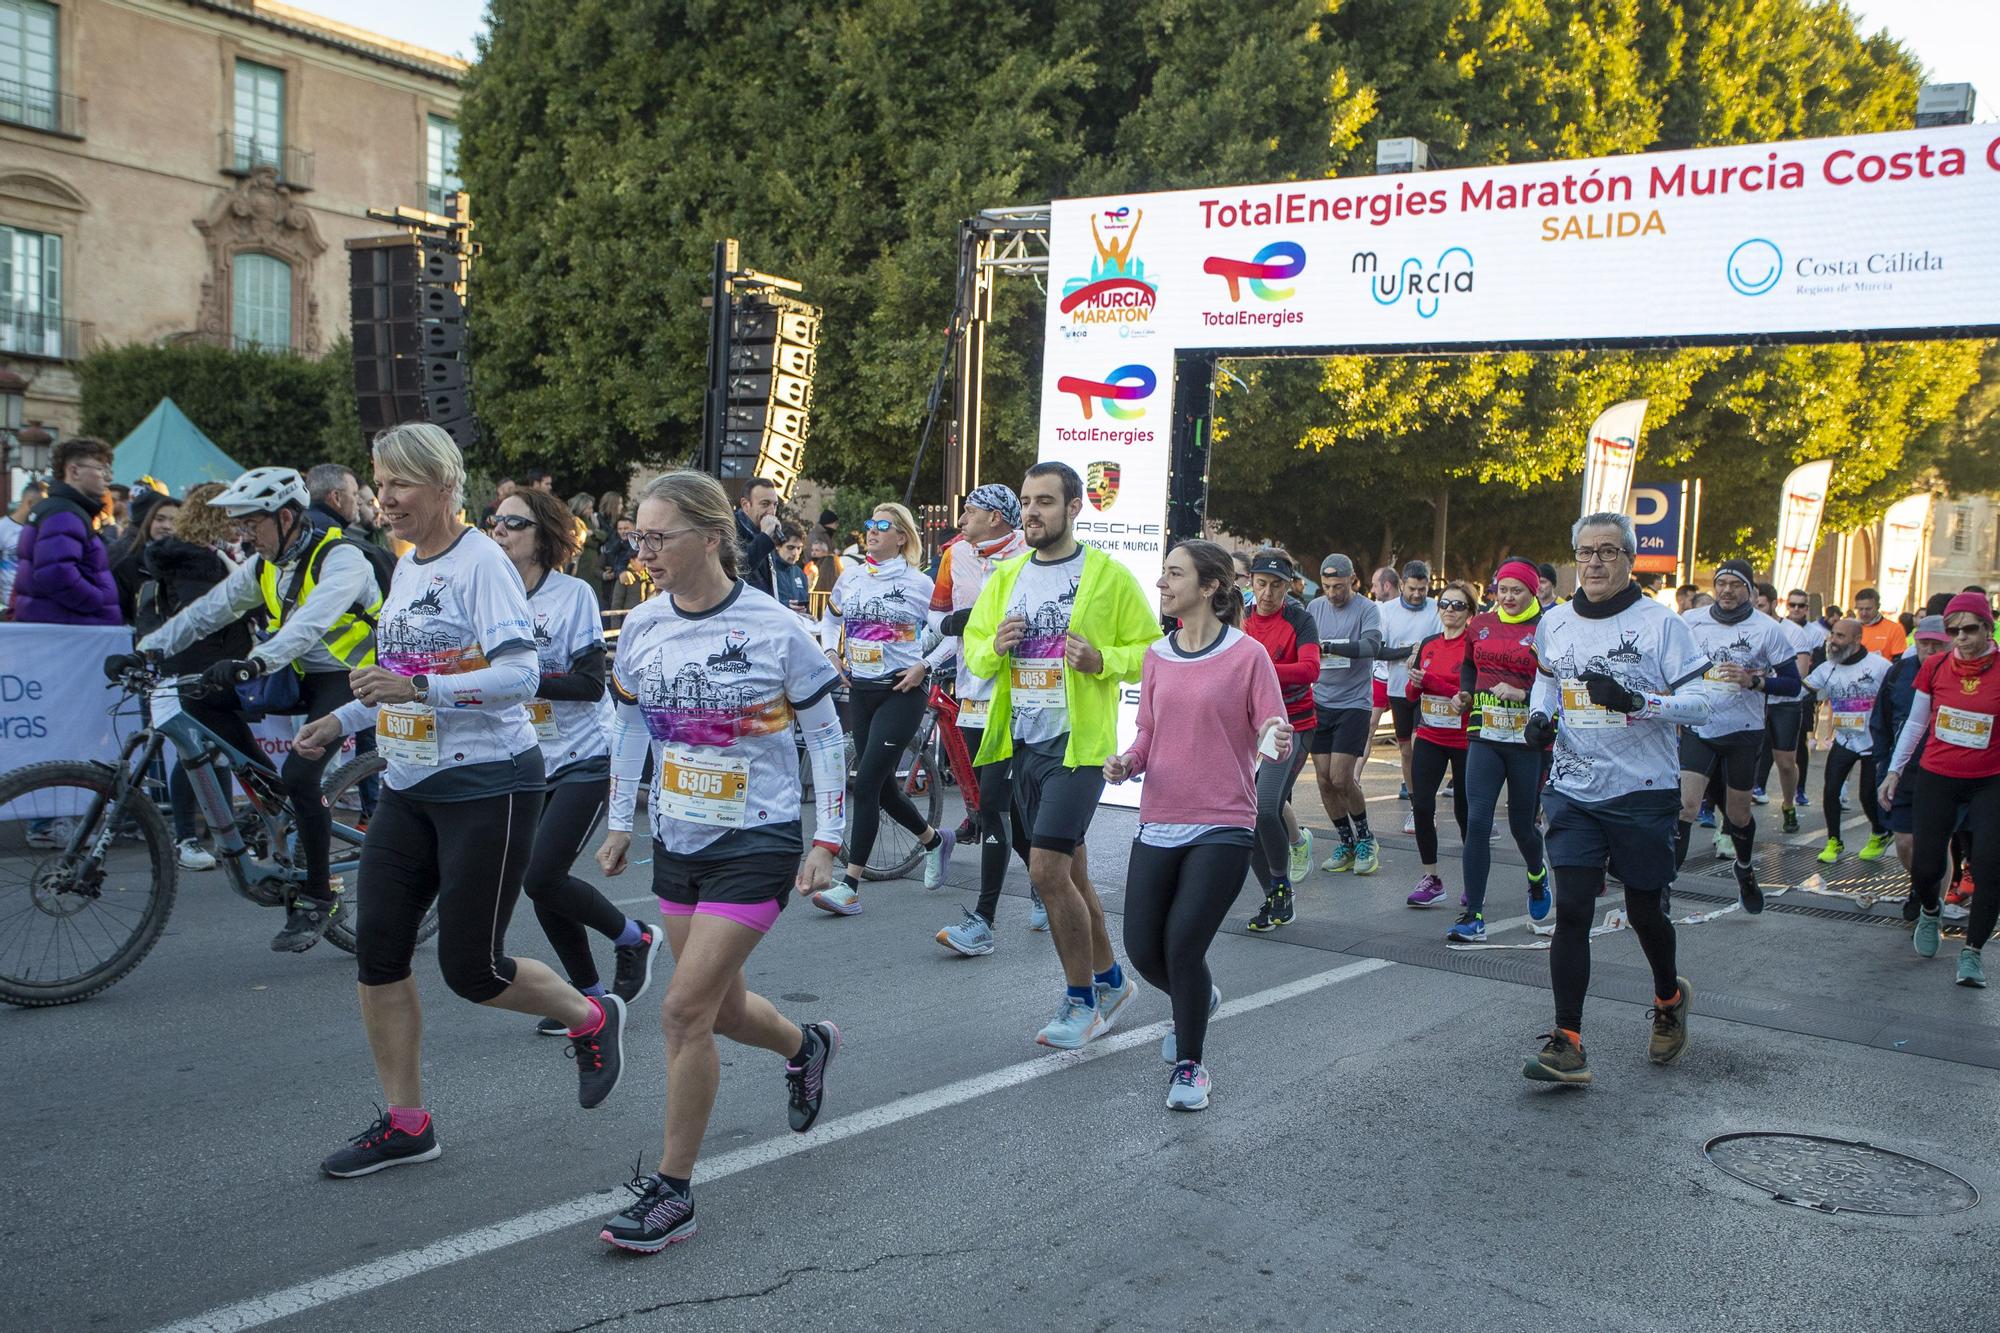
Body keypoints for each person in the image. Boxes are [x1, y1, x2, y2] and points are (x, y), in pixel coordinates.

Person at [293, 423, 625, 1177]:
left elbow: (520, 674)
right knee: (378, 950)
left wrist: (419, 688)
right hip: (409, 787)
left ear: (445, 488)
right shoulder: (409, 564)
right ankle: (409, 1123)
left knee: (472, 970)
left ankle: (591, 1014)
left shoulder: (482, 565)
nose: (386, 499)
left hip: (490, 785)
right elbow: (395, 668)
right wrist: (342, 719)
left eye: (400, 484)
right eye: (380, 485)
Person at [588, 469, 846, 1252]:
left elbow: (827, 737)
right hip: (680, 837)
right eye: (637, 536)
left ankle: (673, 1192)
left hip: (758, 836)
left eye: (656, 537)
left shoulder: (775, 626)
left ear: (710, 536)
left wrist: (827, 839)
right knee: (724, 1011)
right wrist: (621, 815)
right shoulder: (641, 625)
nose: (643, 551)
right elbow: (631, 723)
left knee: (680, 1011)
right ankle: (808, 1047)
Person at [114, 466, 385, 952]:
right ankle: (269, 795)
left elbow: (311, 623)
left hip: (352, 675)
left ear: (285, 517)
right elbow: (205, 612)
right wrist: (148, 650)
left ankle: (319, 897)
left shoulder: (343, 558)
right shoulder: (265, 566)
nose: (243, 535)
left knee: (304, 776)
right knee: (198, 700)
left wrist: (255, 662)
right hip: (296, 673)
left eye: (251, 523)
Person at [963, 461, 1160, 1048]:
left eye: (1045, 502)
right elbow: (974, 648)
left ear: (1075, 507)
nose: (1032, 512)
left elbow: (1151, 650)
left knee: (1046, 870)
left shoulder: (1106, 575)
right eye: (1026, 501)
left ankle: (1080, 1002)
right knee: (1070, 872)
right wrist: (993, 647)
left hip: (1079, 746)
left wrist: (1103, 660)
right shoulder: (1009, 577)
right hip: (1022, 740)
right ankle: (1112, 980)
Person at [1522, 511, 1712, 1086]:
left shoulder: (1661, 625)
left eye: (1607, 551)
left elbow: (1703, 706)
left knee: (1643, 911)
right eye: (1585, 552)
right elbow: (1548, 677)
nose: (1595, 562)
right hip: (1573, 788)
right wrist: (1537, 714)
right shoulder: (1554, 622)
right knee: (1573, 910)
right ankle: (1568, 1041)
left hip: (1643, 790)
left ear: (1630, 559)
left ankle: (1668, 996)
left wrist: (1639, 702)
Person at [1106, 539, 1288, 1111]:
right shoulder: (1157, 656)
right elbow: (1147, 733)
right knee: (1141, 949)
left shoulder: (1246, 655)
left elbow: (1271, 728)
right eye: (1163, 573)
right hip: (1159, 817)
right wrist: (1127, 761)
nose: (1162, 583)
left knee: (1183, 944)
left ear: (1209, 587)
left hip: (1224, 822)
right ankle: (1197, 997)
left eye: (1174, 574)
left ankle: (1190, 1067)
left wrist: (1274, 739)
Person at [489, 485, 664, 1033]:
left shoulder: (574, 596)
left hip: (585, 755)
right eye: (495, 522)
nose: (499, 531)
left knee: (541, 876)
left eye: (513, 524)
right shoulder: (489, 596)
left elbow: (591, 685)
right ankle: (589, 998)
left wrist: (518, 679)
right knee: (540, 880)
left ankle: (634, 937)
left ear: (542, 535)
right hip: (524, 759)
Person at [810, 502, 950, 912]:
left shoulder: (919, 583)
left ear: (902, 536)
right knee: (883, 786)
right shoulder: (851, 577)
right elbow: (831, 621)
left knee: (867, 781)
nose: (871, 531)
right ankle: (934, 841)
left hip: (901, 692)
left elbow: (954, 635)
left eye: (882, 526)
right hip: (862, 690)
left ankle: (850, 887)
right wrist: (831, 656)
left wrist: (924, 666)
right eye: (869, 523)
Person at [929, 484, 1041, 955]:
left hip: (1017, 696)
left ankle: (984, 920)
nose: (962, 518)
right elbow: (935, 619)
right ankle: (1044, 881)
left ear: (996, 517)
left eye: (971, 511)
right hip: (972, 691)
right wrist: (967, 623)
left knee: (993, 801)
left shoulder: (1030, 556)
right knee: (1002, 806)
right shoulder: (955, 556)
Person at [1881, 593, 2000, 988]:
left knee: (1988, 868)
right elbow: (1915, 724)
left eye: (1969, 629)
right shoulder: (1933, 667)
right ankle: (1930, 910)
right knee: (1928, 865)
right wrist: (1894, 772)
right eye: (1953, 630)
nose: (1960, 638)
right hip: (1937, 775)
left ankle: (1972, 953)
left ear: (1988, 628)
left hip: (1990, 781)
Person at [1674, 559, 1801, 912]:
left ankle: (1744, 868)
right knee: (1685, 806)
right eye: (1721, 583)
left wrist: (1754, 681)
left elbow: (1792, 684)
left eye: (1735, 584)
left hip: (1743, 732)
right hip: (1701, 726)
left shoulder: (1767, 629)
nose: (1727, 590)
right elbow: (1672, 664)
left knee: (1738, 815)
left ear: (1750, 590)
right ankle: (1663, 888)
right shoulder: (1691, 621)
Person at [134, 482, 248, 871]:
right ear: (216, 515)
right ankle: (185, 837)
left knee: (215, 753)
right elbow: (202, 620)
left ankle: (225, 836)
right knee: (193, 751)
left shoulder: (213, 557)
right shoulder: (196, 562)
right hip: (194, 668)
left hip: (212, 666)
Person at [1449, 558, 1552, 942]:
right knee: (1477, 823)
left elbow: (1555, 682)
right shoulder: (1480, 625)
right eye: (1503, 590)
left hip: (1527, 741)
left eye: (1517, 590)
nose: (1508, 597)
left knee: (1522, 826)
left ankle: (1537, 874)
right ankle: (1472, 914)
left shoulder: (1546, 627)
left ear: (1533, 591)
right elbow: (1468, 668)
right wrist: (1464, 694)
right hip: (1484, 735)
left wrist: (1523, 694)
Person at [1239, 547, 1320, 931]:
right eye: (1261, 584)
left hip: (1290, 725)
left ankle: (1280, 882)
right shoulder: (1239, 616)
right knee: (1245, 817)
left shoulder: (1300, 620)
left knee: (1265, 807)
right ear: (1251, 583)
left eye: (1276, 586)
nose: (1268, 593)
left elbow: (1309, 669)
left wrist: (1260, 668)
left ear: (1289, 587)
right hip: (1245, 725)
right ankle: (1276, 890)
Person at [1307, 554, 1386, 875]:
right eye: (1326, 586)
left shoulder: (1367, 609)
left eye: (1338, 586)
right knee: (1325, 780)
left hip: (1354, 703)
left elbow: (1372, 646)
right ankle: (1347, 842)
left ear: (1353, 580)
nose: (1332, 593)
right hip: (1320, 701)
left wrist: (1331, 647)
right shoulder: (1314, 608)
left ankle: (1366, 837)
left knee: (1342, 777)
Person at [1404, 581, 1477, 909]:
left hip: (1463, 740)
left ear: (1470, 613)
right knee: (1421, 806)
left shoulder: (1471, 647)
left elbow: (1463, 691)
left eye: (1458, 605)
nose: (1449, 609)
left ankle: (1473, 878)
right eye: (1445, 603)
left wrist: (1430, 681)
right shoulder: (1429, 644)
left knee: (1465, 812)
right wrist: (1414, 683)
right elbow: (1411, 693)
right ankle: (1431, 878)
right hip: (1431, 735)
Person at [1875, 617, 1949, 914]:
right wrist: (1883, 765)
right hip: (1903, 770)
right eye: (1923, 643)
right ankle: (1922, 887)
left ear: (1950, 643)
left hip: (1945, 773)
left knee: (1936, 841)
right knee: (1905, 841)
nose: (1929, 649)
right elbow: (1881, 720)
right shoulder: (1899, 673)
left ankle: (1932, 908)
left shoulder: (1958, 676)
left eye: (1937, 644)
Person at [1805, 618, 1892, 865]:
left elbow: (1893, 700)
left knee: (1867, 795)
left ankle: (1879, 833)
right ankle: (1834, 841)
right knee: (1831, 790)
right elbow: (1802, 689)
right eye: (1833, 634)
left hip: (1873, 741)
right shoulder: (1827, 668)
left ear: (1856, 640)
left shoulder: (1879, 666)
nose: (1833, 640)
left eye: (1841, 636)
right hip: (1844, 738)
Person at [10, 436, 121, 624]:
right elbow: (56, 572)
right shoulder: (65, 514)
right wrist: (98, 601)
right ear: (74, 471)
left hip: (62, 624)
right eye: (102, 469)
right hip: (71, 628)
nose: (108, 478)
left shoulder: (59, 509)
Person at [1754, 587, 1826, 831]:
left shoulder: (1793, 632)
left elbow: (1800, 675)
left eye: (1761, 605)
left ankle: (1788, 803)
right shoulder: (1745, 629)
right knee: (1742, 758)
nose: (1756, 609)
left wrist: (1761, 679)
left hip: (1784, 705)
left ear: (1773, 604)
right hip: (1752, 703)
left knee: (1785, 763)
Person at [1380, 562, 1442, 830]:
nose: (1418, 594)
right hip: (1398, 688)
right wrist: (1409, 654)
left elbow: (1444, 643)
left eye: (1423, 589)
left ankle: (1427, 808)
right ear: (1402, 584)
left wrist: (1424, 657)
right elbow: (1377, 650)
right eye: (1413, 589)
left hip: (1427, 690)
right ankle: (1417, 807)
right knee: (1406, 750)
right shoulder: (1386, 610)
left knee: (1420, 748)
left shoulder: (1437, 608)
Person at [110, 490, 180, 622]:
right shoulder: (128, 565)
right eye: (160, 519)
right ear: (149, 522)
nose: (166, 526)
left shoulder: (192, 566)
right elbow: (117, 612)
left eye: (174, 521)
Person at [1359, 565, 1399, 779]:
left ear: (1386, 585)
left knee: (1407, 737)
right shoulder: (1375, 608)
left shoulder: (1403, 609)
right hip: (1380, 677)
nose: (1372, 590)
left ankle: (1408, 782)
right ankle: (1355, 777)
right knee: (1369, 727)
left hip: (1403, 678)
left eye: (1375, 585)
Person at [0, 479, 47, 615]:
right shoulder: (2, 528)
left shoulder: (42, 529)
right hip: (7, 609)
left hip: (34, 605)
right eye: (42, 506)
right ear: (30, 504)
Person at [733, 476, 784, 596]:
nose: (771, 511)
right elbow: (739, 568)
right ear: (746, 505)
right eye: (765, 504)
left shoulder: (765, 534)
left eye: (775, 505)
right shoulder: (731, 529)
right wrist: (765, 538)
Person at [1853, 587, 1908, 661]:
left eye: (1868, 609)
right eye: (1860, 609)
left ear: (1878, 606)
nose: (1864, 613)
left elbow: (1899, 660)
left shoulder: (1895, 629)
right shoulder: (1850, 628)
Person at [770, 520, 810, 615]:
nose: (795, 553)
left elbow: (805, 607)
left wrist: (809, 616)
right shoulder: (766, 568)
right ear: (777, 545)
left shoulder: (800, 574)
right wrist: (785, 606)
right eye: (790, 547)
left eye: (799, 548)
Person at [306, 463, 361, 531]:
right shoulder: (330, 530)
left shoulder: (300, 520)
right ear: (336, 497)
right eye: (354, 494)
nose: (359, 502)